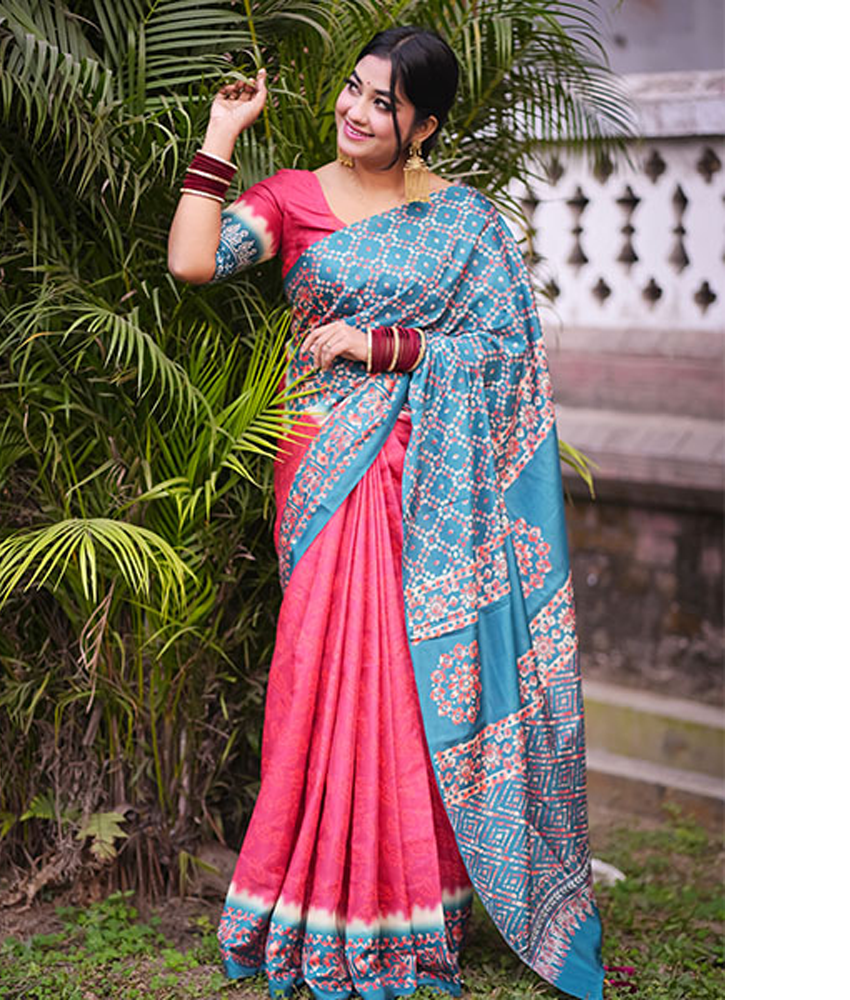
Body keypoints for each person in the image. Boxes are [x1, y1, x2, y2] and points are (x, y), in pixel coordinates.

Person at [168, 26, 605, 1000]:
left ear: (424, 125)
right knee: (319, 672)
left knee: (412, 683)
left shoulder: (466, 223)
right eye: (353, 89)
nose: (357, 111)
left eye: (384, 102)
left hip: (428, 479)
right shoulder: (291, 197)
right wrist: (221, 132)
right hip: (324, 466)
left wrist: (387, 347)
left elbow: (505, 356)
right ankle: (310, 900)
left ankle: (413, 902)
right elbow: (193, 262)